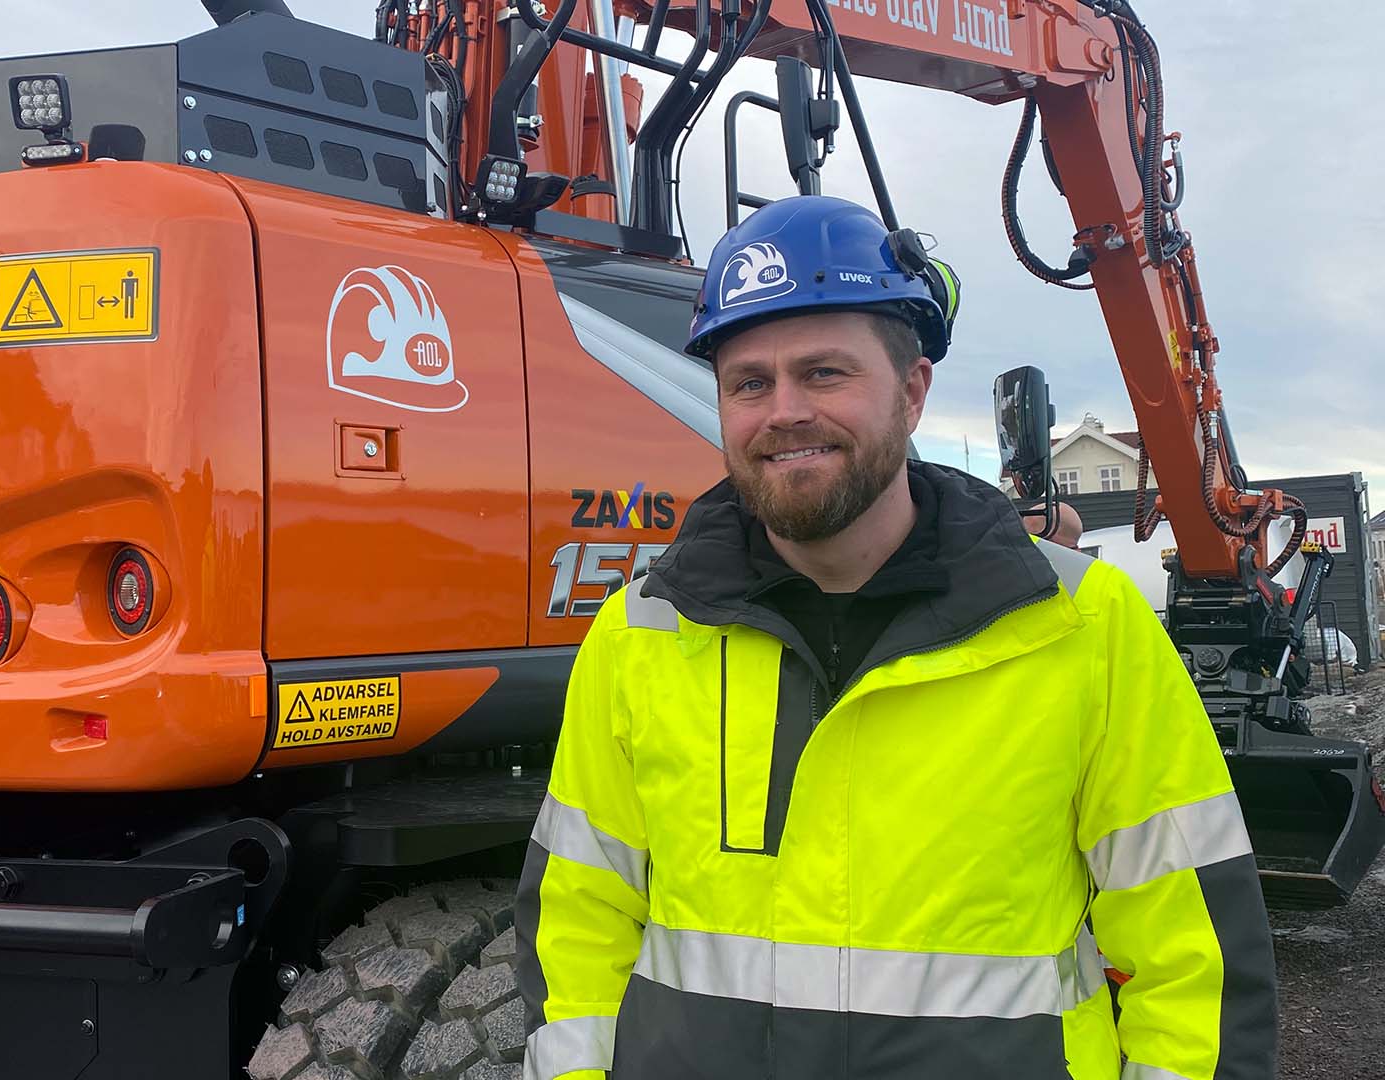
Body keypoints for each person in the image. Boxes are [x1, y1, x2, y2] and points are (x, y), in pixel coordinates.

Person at [515, 196, 1275, 1080]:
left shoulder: (1082, 627)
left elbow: (1194, 969)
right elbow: (579, 928)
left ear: (912, 393)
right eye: (748, 383)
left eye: (824, 373)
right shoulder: (641, 632)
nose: (783, 411)